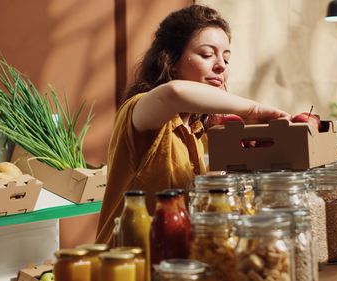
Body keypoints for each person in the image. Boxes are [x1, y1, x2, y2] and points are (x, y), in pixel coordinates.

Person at [96, 4, 290, 244]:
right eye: (207, 55)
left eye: (226, 58)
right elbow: (174, 93)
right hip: (125, 267)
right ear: (171, 60)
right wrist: (254, 109)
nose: (220, 66)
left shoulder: (201, 132)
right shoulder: (140, 111)